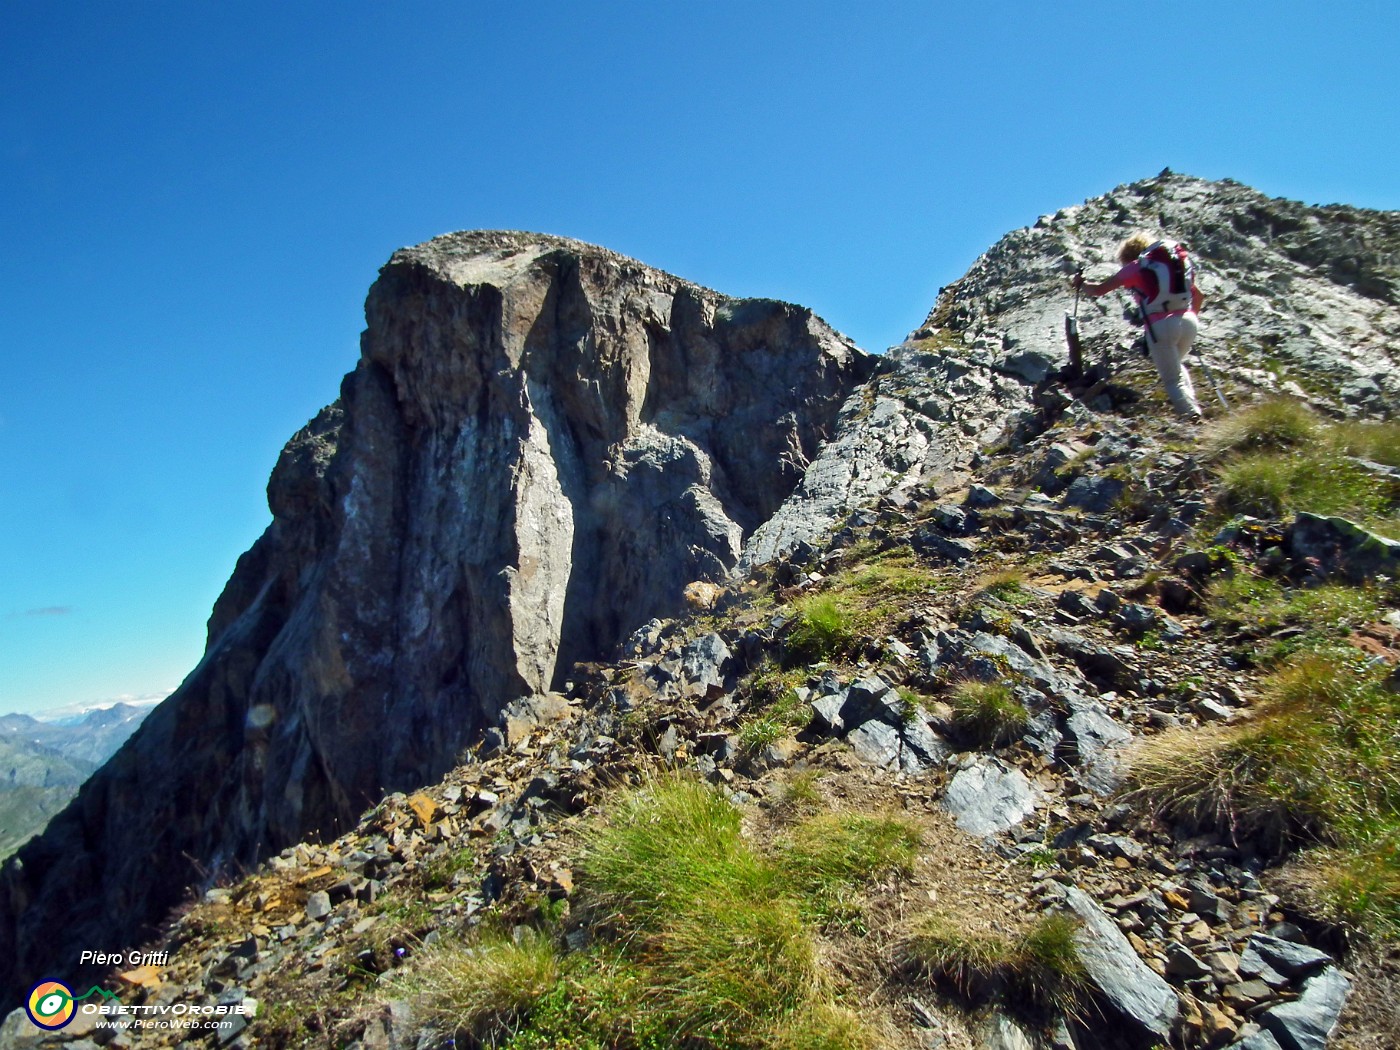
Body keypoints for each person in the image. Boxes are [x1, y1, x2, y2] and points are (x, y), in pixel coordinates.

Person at [1072, 234, 1206, 419]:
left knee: (1172, 379)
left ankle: (1191, 416)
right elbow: (1199, 296)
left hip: (1161, 326)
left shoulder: (1137, 267)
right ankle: (1192, 407)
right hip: (1188, 320)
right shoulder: (1174, 264)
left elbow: (1098, 290)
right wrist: (1187, 318)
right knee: (1176, 366)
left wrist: (1081, 283)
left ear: (1127, 256)